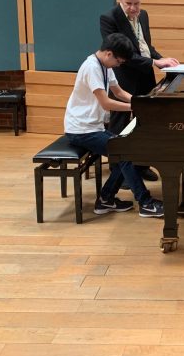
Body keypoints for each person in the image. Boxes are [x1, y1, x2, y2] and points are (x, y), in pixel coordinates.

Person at [64, 33, 163, 218]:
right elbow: (106, 103)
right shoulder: (91, 67)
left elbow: (118, 92)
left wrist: (139, 103)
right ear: (109, 54)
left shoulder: (104, 65)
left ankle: (106, 199)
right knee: (124, 152)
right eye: (119, 61)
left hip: (93, 127)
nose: (120, 65)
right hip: (81, 130)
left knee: (121, 154)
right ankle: (145, 203)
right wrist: (133, 107)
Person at [100, 0, 179, 182]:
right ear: (120, 0)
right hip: (124, 78)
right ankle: (120, 174)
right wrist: (154, 61)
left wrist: (163, 61)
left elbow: (145, 47)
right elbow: (122, 54)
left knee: (144, 122)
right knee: (120, 124)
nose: (134, 8)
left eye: (137, 3)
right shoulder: (109, 18)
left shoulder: (143, 15)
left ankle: (141, 166)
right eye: (129, 3)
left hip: (144, 75)